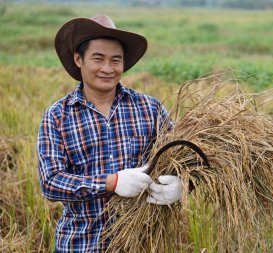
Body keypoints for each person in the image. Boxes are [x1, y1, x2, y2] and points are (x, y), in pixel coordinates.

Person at [37, 15, 182, 252]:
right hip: (80, 243)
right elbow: (51, 182)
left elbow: (182, 156)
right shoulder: (57, 116)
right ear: (78, 59)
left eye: (116, 60)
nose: (108, 68)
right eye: (98, 58)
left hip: (141, 243)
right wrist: (112, 182)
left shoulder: (149, 108)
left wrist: (183, 185)